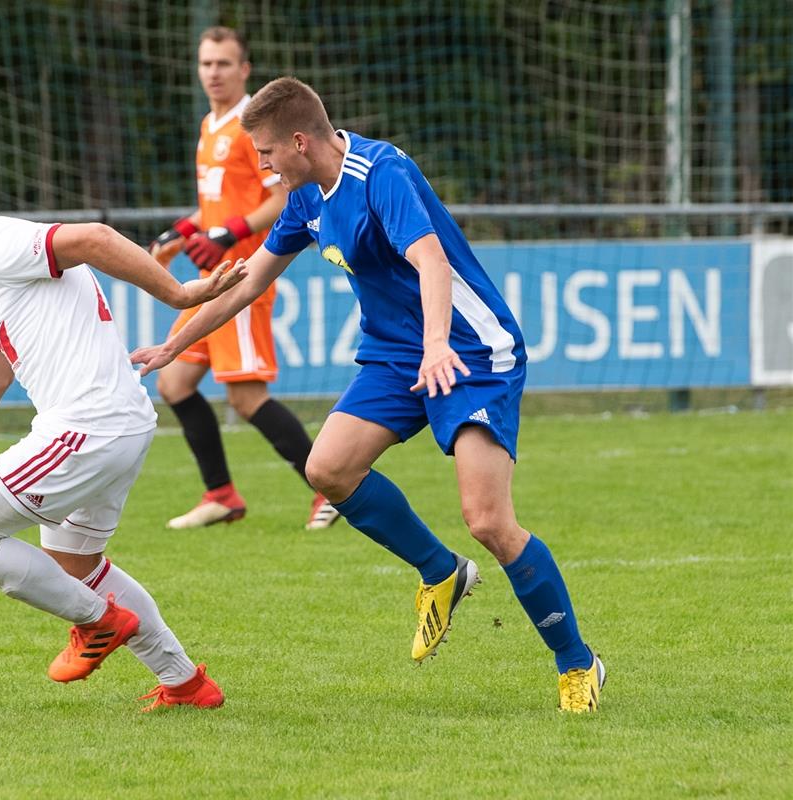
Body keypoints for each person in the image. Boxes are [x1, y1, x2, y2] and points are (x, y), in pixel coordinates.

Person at [132, 77, 606, 713]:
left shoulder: (379, 173)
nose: (263, 166)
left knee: (489, 521)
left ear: (300, 141)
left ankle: (578, 664)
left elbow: (433, 263)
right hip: (394, 354)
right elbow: (246, 286)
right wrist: (174, 344)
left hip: (470, 352)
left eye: (267, 153)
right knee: (327, 467)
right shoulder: (304, 198)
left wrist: (438, 343)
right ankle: (441, 573)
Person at [0, 145, 240, 711]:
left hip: (85, 429)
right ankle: (186, 683)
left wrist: (181, 294)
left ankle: (97, 624)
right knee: (80, 568)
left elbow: (94, 238)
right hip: (120, 426)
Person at [148, 27, 340, 532]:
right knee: (175, 380)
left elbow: (281, 200)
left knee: (246, 396)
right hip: (209, 275)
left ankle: (330, 489)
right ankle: (222, 495)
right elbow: (218, 205)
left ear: (245, 70)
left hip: (241, 275)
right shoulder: (210, 126)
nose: (213, 72)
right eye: (206, 63)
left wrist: (228, 232)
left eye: (224, 64)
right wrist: (181, 232)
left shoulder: (258, 127)